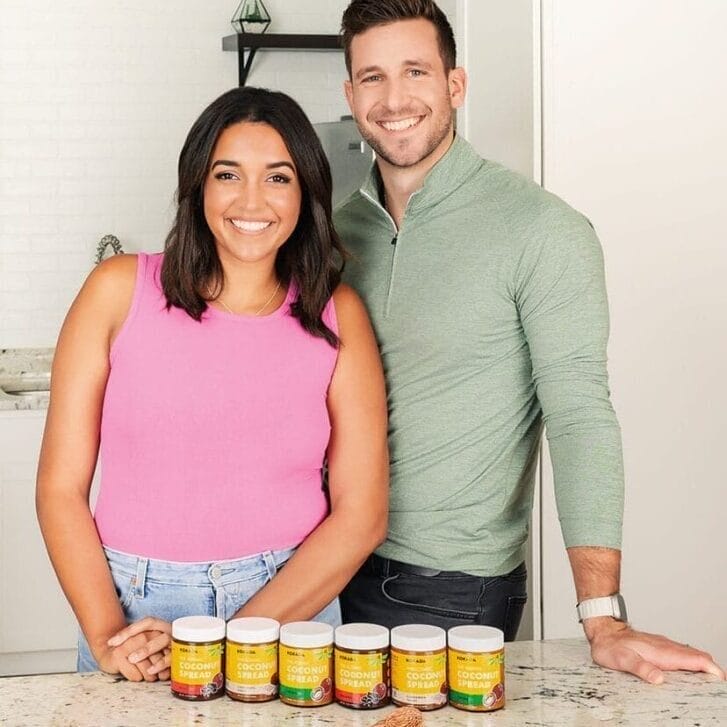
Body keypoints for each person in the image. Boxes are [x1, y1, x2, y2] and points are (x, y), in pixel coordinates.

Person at [334, 0, 725, 684]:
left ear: (455, 85)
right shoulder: (332, 236)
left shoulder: (542, 231)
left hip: (444, 589)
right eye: (371, 77)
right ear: (348, 94)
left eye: (415, 72)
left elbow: (579, 417)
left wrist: (602, 614)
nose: (393, 99)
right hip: (313, 570)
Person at [36, 86, 389, 683]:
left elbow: (362, 514)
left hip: (289, 606)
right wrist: (105, 637)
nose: (253, 200)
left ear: (306, 193)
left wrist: (231, 642)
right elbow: (59, 488)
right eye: (229, 174)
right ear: (198, 184)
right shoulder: (116, 291)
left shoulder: (339, 314)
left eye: (278, 178)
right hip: (134, 614)